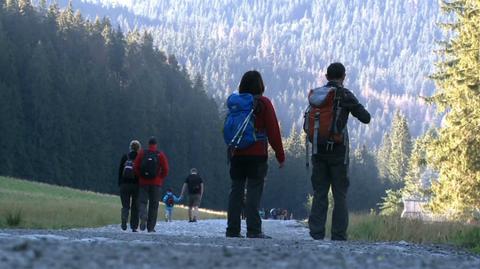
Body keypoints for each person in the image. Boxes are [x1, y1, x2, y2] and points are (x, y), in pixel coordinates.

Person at [307, 62, 371, 241]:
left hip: (318, 150)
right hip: (338, 151)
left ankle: (316, 232)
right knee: (339, 194)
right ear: (344, 76)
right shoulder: (345, 94)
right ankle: (338, 234)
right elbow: (366, 118)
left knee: (319, 192)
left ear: (326, 77)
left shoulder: (317, 95)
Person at [225, 70, 285, 239]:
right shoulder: (264, 103)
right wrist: (280, 156)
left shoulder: (236, 103)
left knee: (236, 190)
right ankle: (253, 230)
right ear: (260, 86)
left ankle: (232, 230)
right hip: (257, 154)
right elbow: (273, 131)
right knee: (253, 191)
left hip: (236, 152)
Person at [134, 137, 169, 232]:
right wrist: (160, 177)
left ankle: (143, 216)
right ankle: (150, 227)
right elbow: (166, 169)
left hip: (143, 182)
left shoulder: (142, 153)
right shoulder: (160, 154)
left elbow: (135, 166)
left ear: (148, 144)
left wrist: (140, 176)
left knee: (142, 202)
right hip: (156, 183)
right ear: (156, 144)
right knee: (154, 206)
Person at [118, 140, 141, 232]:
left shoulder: (125, 156)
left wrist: (120, 183)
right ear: (138, 148)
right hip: (136, 185)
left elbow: (120, 171)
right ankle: (134, 226)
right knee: (135, 206)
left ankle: (124, 220)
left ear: (130, 147)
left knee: (125, 205)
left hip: (124, 184)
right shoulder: (140, 157)